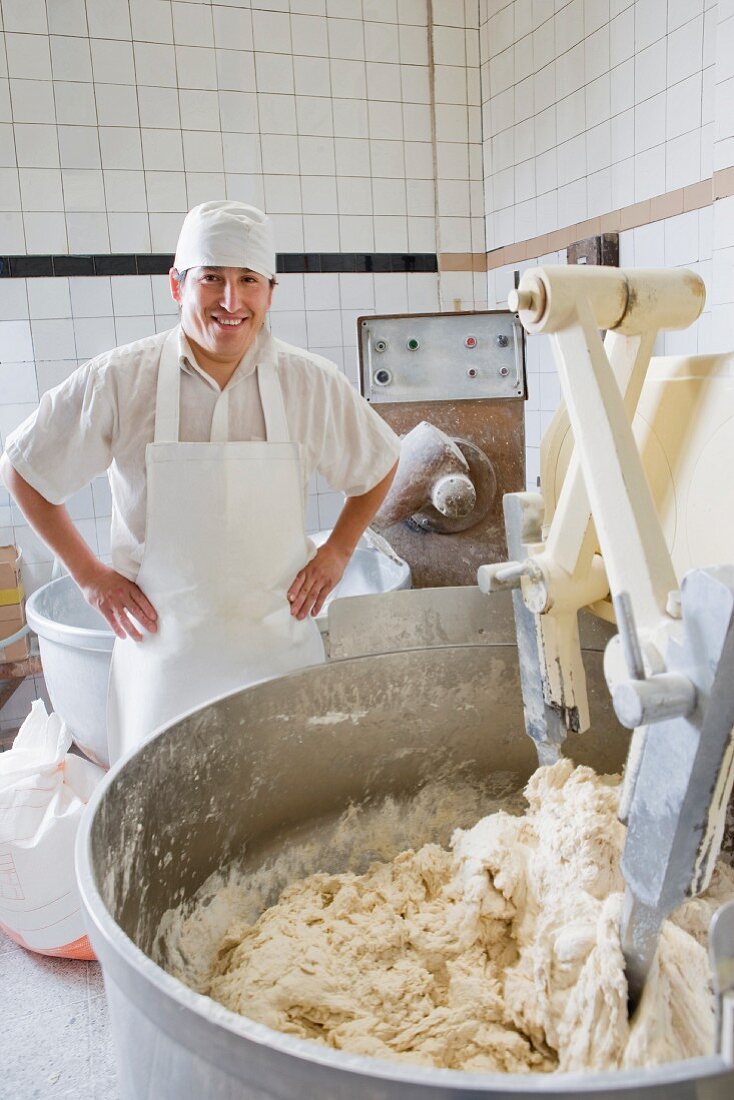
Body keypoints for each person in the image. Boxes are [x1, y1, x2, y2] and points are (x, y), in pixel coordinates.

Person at [1, 201, 400, 763]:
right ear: (176, 286)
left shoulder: (309, 383)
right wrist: (90, 576)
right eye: (211, 278)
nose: (231, 302)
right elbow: (24, 469)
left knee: (284, 814)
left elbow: (379, 464)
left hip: (276, 663)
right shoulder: (121, 379)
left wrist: (337, 550)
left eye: (248, 281)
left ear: (270, 291)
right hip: (162, 670)